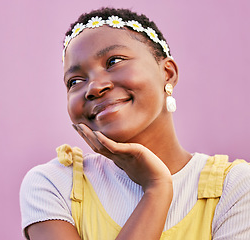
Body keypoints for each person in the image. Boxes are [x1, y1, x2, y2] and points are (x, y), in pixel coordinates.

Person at [20, 7, 250, 240]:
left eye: (113, 61)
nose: (94, 87)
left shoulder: (234, 188)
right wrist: (156, 189)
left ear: (167, 73)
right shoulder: (54, 184)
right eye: (75, 81)